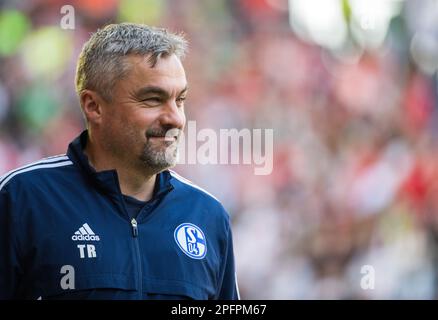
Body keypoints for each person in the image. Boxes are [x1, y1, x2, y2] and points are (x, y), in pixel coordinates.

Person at [0, 23, 240, 300]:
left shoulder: (208, 215)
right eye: (153, 99)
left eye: (180, 100)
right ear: (94, 106)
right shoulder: (22, 199)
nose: (175, 118)